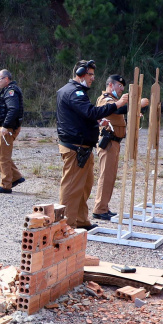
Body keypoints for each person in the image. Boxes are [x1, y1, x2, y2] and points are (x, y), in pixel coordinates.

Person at [55, 59, 128, 230]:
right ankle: (65, 226)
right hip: (76, 147)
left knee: (84, 186)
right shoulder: (75, 92)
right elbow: (90, 112)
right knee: (72, 188)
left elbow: (82, 116)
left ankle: (80, 220)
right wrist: (117, 104)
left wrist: (96, 121)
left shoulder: (74, 91)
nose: (93, 78)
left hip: (82, 146)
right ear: (80, 73)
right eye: (90, 74)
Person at [93, 74, 149, 221]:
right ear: (110, 85)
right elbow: (117, 110)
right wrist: (138, 103)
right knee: (106, 176)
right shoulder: (106, 99)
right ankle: (99, 209)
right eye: (119, 85)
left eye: (123, 86)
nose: (121, 88)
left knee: (110, 176)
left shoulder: (115, 100)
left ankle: (103, 207)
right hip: (108, 142)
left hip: (115, 142)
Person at [0, 69, 25, 193]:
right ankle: (15, 177)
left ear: (6, 79)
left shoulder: (11, 92)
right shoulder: (6, 91)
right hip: (3, 127)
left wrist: (5, 126)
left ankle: (5, 185)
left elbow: (13, 109)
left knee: (3, 156)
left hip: (6, 128)